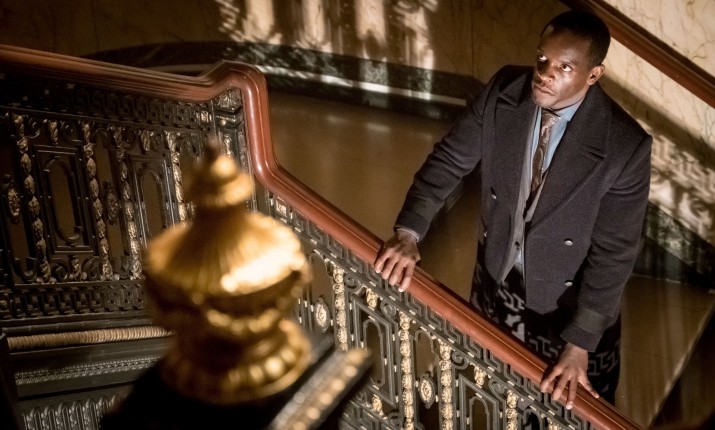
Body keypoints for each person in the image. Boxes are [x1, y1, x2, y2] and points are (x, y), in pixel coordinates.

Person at [374, 10, 651, 411]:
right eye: (542, 59)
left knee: (561, 412)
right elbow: (449, 160)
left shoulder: (625, 146)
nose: (545, 73)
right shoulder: (504, 90)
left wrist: (580, 342)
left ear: (594, 75)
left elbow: (615, 253)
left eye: (564, 67)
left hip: (566, 308)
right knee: (493, 387)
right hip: (497, 277)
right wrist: (408, 232)